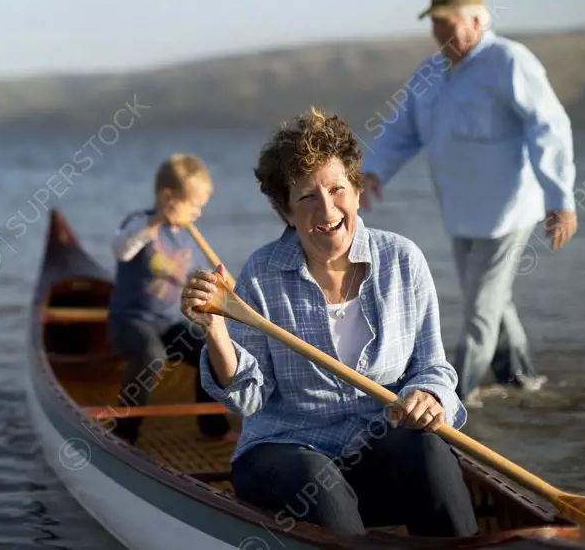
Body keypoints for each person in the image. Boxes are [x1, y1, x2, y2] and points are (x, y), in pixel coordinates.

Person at [181, 108, 479, 537]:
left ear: (357, 192)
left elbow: (432, 367)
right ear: (285, 210)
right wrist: (215, 331)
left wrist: (429, 397)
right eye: (306, 197)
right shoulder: (261, 274)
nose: (327, 209)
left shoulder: (402, 261)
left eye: (338, 189)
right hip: (285, 454)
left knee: (430, 451)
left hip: (374, 453)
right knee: (320, 481)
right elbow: (247, 400)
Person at [359, 0, 578, 404]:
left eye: (449, 24)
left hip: (506, 212)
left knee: (480, 308)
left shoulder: (509, 62)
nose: (441, 34)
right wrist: (373, 172)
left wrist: (560, 200)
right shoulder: (430, 72)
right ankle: (520, 380)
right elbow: (402, 131)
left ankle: (449, 400)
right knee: (495, 301)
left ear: (480, 20)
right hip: (459, 213)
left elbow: (549, 129)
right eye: (436, 25)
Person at [106, 153, 231, 444]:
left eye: (201, 206)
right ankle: (125, 432)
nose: (198, 213)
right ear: (167, 197)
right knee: (152, 355)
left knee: (208, 349)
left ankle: (213, 428)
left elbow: (194, 281)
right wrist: (157, 218)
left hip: (171, 324)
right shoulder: (141, 224)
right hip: (131, 322)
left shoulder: (189, 237)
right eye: (194, 205)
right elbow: (121, 250)